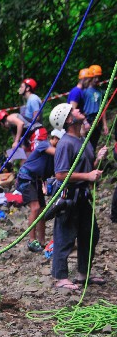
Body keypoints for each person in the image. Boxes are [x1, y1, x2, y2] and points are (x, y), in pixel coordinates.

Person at [48, 102, 108, 290]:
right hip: (69, 197)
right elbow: (60, 174)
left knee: (90, 234)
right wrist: (88, 176)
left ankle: (83, 274)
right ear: (68, 119)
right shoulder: (65, 143)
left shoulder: (83, 140)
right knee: (65, 236)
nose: (78, 109)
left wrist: (97, 160)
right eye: (73, 110)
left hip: (83, 196)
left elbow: (86, 167)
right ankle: (61, 277)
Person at [16, 128, 64, 253]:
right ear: (55, 139)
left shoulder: (53, 158)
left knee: (42, 210)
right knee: (35, 208)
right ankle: (32, 240)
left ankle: (42, 242)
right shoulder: (44, 145)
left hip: (36, 181)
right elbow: (58, 152)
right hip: (26, 178)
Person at [84, 65, 108, 149]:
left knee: (93, 143)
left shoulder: (100, 92)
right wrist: (84, 122)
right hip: (88, 119)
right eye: (95, 77)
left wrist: (105, 124)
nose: (97, 79)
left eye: (98, 77)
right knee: (85, 144)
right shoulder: (84, 91)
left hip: (98, 119)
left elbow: (103, 108)